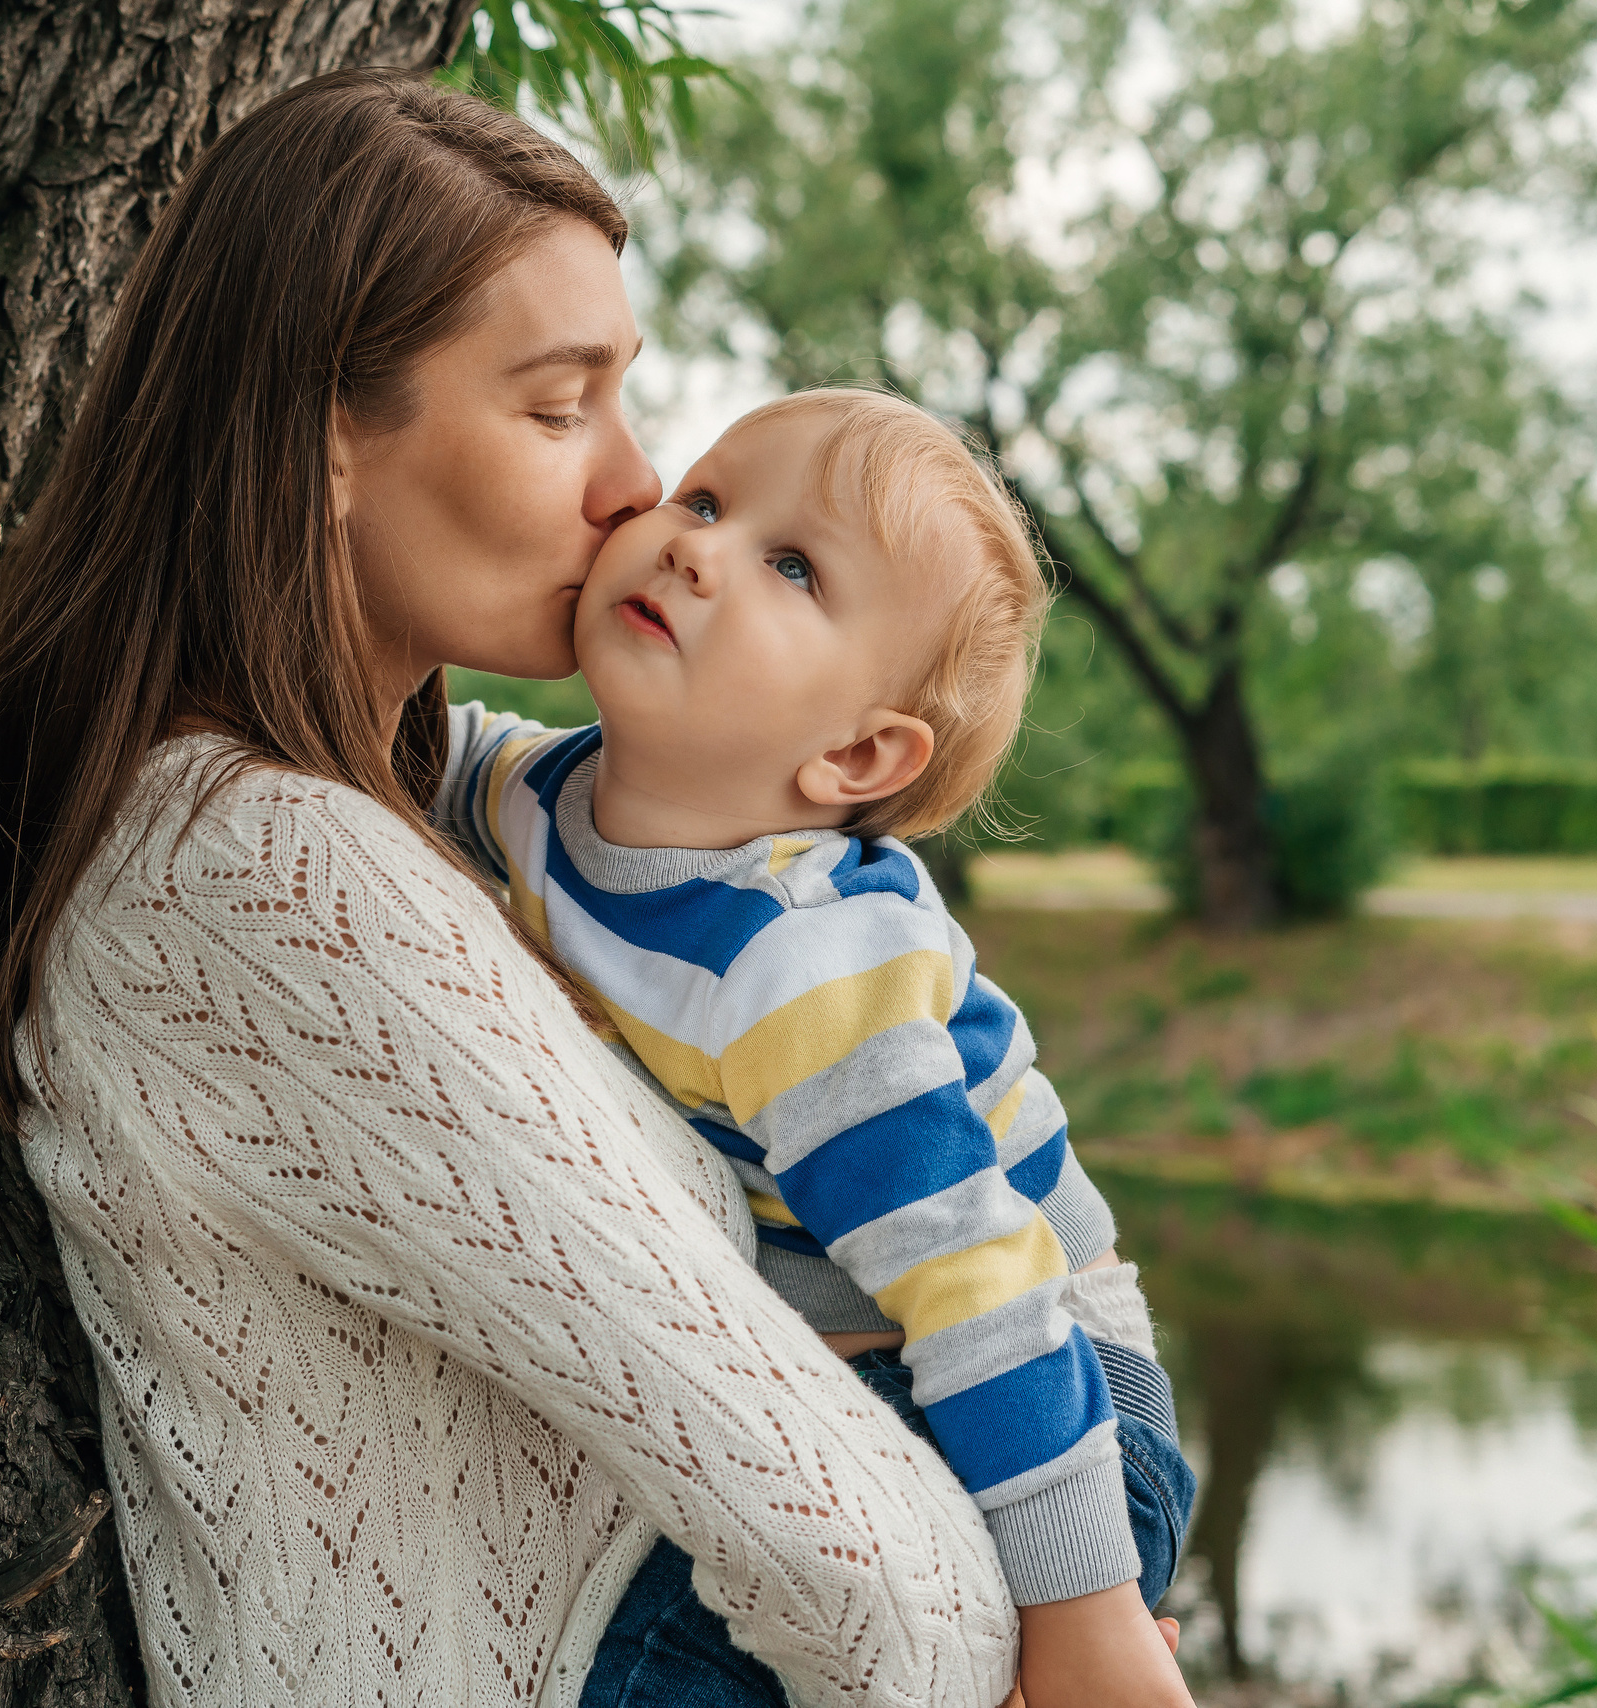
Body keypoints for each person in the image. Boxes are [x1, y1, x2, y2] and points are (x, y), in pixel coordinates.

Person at [0, 70, 1038, 1708]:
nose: (636, 487)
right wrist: (1073, 1608)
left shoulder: (416, 800)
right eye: (560, 409)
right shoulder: (271, 876)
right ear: (324, 435)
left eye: (627, 401)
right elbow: (897, 1606)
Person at [431, 390, 1198, 1708]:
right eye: (710, 500)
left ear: (856, 753)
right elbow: (397, 750)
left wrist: (1085, 1609)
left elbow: (978, 1287)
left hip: (1047, 1401)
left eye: (792, 568)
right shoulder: (540, 794)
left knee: (657, 1665)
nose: (694, 546)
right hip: (881, 1354)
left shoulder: (809, 966)